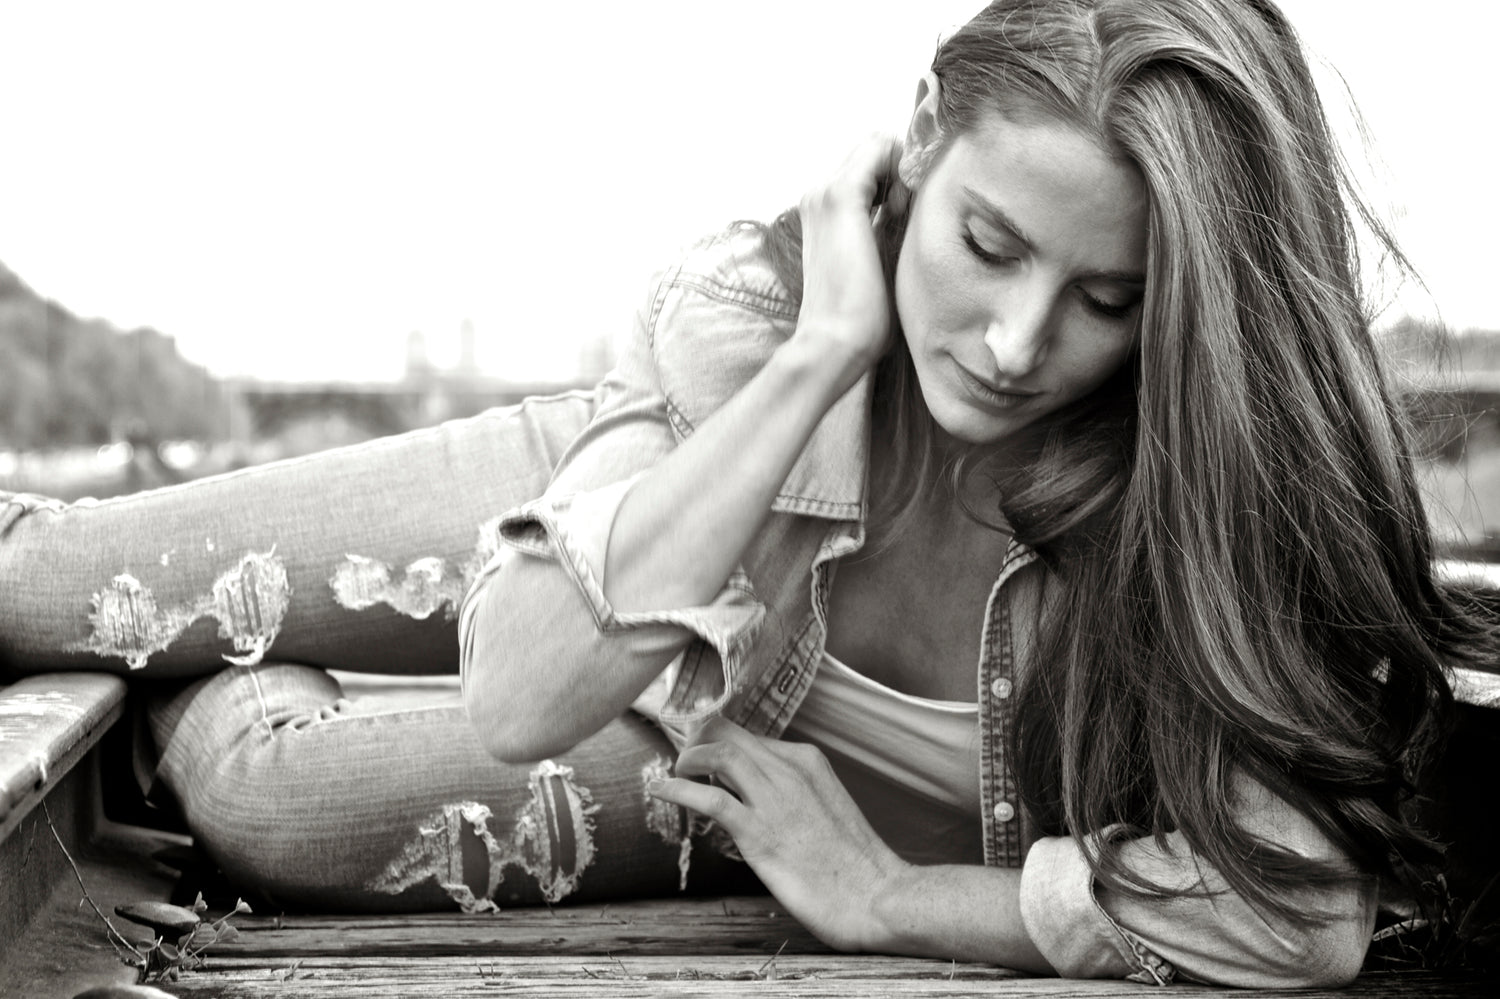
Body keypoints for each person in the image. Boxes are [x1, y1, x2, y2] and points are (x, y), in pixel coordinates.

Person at [2, 0, 1493, 987]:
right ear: (919, 141)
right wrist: (822, 358)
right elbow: (531, 690)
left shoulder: (1220, 483)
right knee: (49, 582)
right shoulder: (752, 314)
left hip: (722, 765)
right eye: (984, 244)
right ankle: (201, 630)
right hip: (619, 538)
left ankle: (199, 675)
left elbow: (1297, 908)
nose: (1022, 341)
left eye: (1109, 296)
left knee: (268, 798)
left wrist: (891, 898)